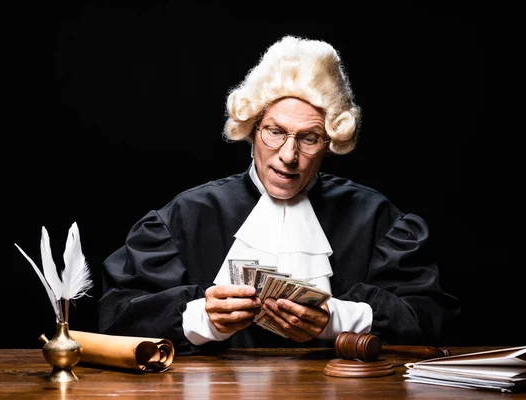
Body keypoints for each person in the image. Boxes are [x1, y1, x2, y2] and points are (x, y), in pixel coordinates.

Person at [97, 35, 460, 355]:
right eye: (275, 131)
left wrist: (338, 319)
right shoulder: (185, 216)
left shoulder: (375, 216)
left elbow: (432, 319)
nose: (289, 156)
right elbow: (116, 318)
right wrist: (200, 319)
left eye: (309, 137)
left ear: (329, 144)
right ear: (252, 129)